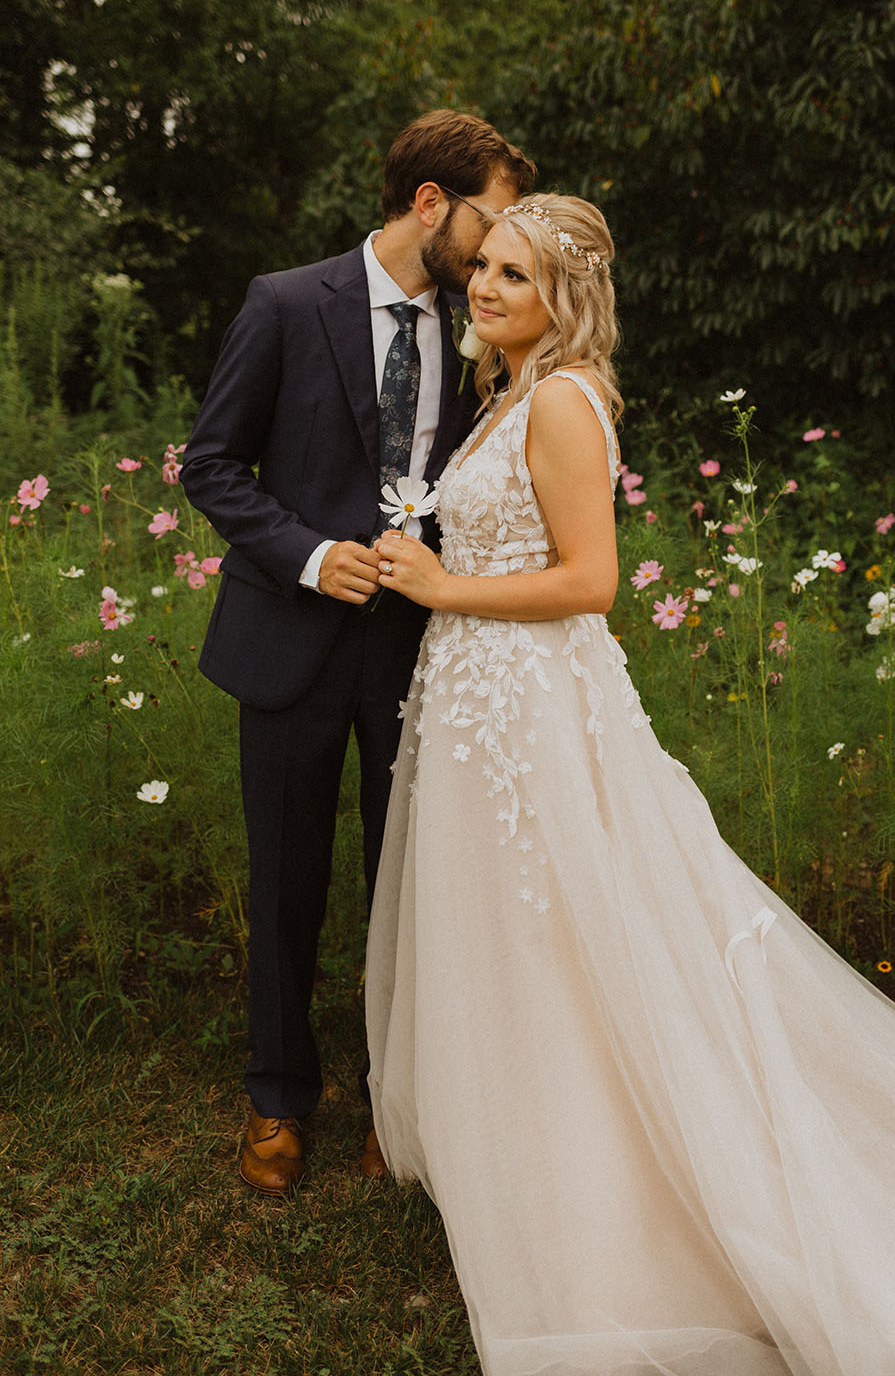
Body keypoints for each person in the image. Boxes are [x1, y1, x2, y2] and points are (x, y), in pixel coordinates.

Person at [365, 193, 895, 1376]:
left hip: (531, 707)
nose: (488, 287)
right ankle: (509, 1152)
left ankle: (598, 1205)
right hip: (486, 705)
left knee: (567, 940)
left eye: (514, 275)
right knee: (518, 938)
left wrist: (439, 588)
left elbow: (590, 581)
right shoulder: (511, 389)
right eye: (484, 267)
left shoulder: (556, 399)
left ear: (563, 300)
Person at [180, 110, 536, 1194]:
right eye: (490, 217)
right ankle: (279, 1095)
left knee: (412, 881)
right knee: (286, 880)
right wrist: (306, 554)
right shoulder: (285, 303)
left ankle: (401, 1097)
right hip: (286, 637)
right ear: (431, 203)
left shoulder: (480, 326)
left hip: (418, 652)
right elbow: (212, 465)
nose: (496, 249)